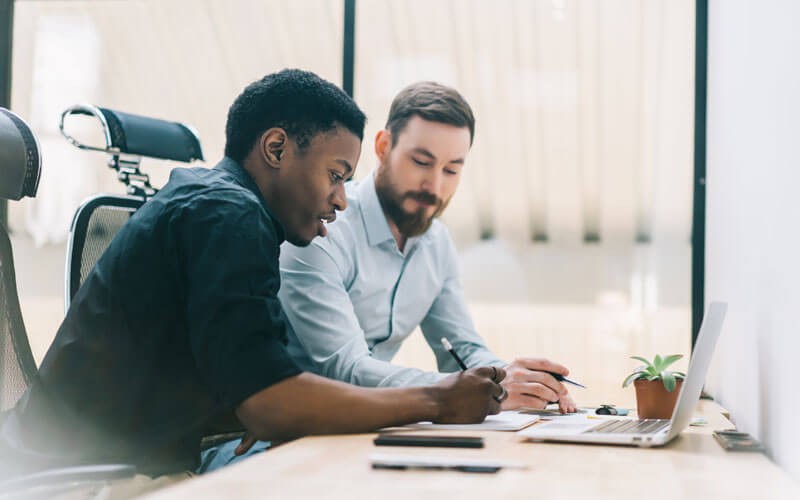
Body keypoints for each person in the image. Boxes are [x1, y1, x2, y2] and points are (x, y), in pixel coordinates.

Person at [0, 70, 505, 495]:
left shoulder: (219, 204)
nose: (341, 199)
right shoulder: (230, 214)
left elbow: (249, 385)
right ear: (276, 148)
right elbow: (271, 403)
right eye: (335, 175)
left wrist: (253, 408)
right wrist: (438, 401)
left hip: (91, 462)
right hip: (85, 479)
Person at [279, 81, 577, 413]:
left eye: (451, 169)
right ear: (383, 147)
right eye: (421, 162)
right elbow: (346, 369)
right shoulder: (321, 229)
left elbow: (462, 349)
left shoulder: (436, 242)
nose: (434, 186)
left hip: (372, 421)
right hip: (296, 424)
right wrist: (477, 390)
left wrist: (518, 380)